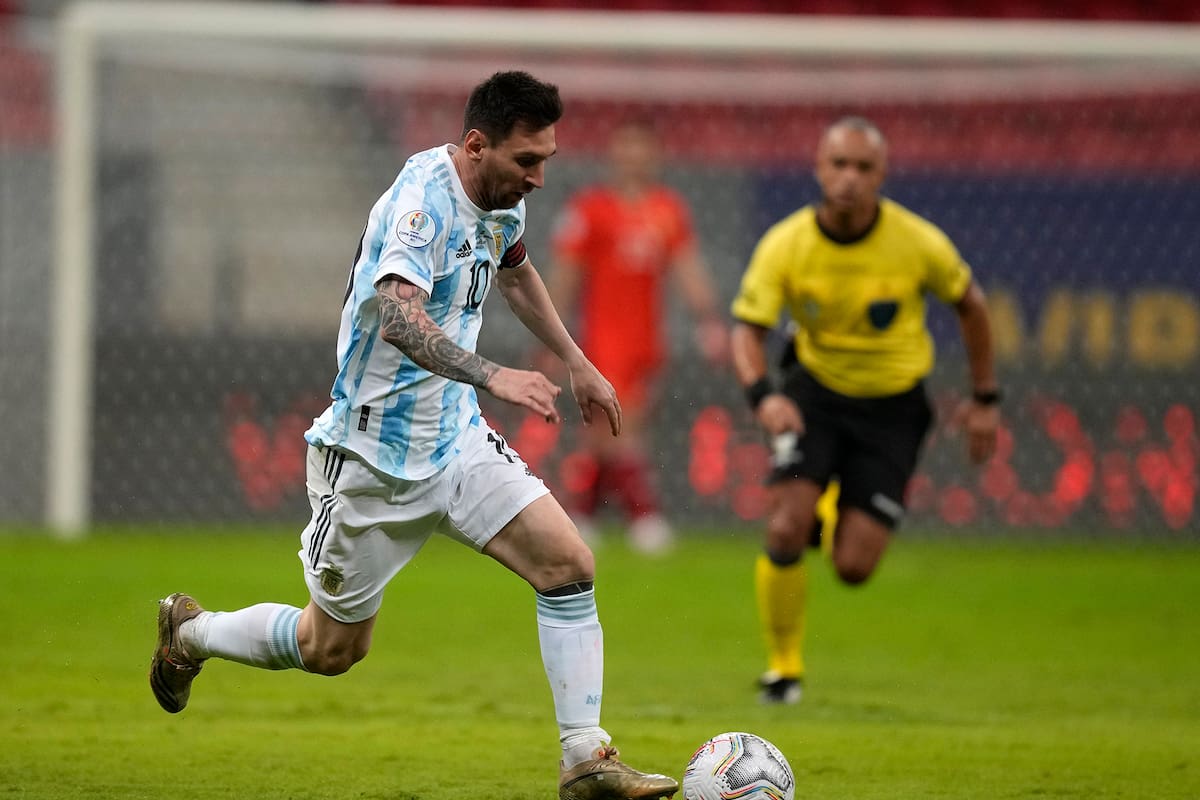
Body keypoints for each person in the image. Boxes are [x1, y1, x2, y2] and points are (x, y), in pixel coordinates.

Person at [149, 71, 679, 800]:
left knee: (568, 564)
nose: (540, 178)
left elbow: (516, 270)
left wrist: (576, 361)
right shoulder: (419, 206)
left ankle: (585, 758)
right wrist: (495, 376)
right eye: (529, 162)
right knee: (330, 648)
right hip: (370, 459)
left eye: (548, 159)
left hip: (454, 440)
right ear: (475, 145)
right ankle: (191, 634)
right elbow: (397, 318)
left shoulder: (500, 199)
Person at [729, 116, 1000, 705]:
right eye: (839, 164)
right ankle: (783, 670)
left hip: (894, 409)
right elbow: (747, 332)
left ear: (882, 174)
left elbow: (972, 308)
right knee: (784, 526)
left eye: (864, 167)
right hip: (814, 396)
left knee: (853, 567)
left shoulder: (916, 242)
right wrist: (765, 394)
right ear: (819, 169)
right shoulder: (787, 243)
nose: (849, 178)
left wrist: (984, 400)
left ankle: (824, 499)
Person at [545, 119, 727, 554]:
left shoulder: (667, 209)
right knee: (615, 429)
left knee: (617, 430)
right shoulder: (589, 209)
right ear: (614, 155)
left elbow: (688, 268)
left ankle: (583, 516)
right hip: (602, 336)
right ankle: (643, 517)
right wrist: (553, 334)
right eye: (625, 148)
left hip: (647, 338)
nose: (633, 157)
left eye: (641, 149)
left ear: (654, 157)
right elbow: (566, 275)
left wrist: (709, 320)